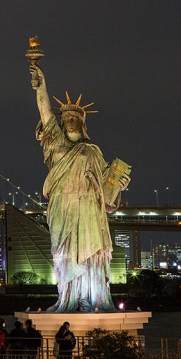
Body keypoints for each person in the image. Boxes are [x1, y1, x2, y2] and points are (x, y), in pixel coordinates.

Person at [30, 64, 130, 313]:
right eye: (66, 119)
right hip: (62, 206)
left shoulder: (92, 150)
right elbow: (44, 111)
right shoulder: (55, 143)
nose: (71, 121)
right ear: (61, 123)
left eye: (75, 118)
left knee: (92, 252)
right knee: (64, 252)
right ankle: (68, 298)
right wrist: (41, 84)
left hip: (88, 208)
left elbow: (107, 183)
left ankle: (93, 298)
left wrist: (120, 185)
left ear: (82, 123)